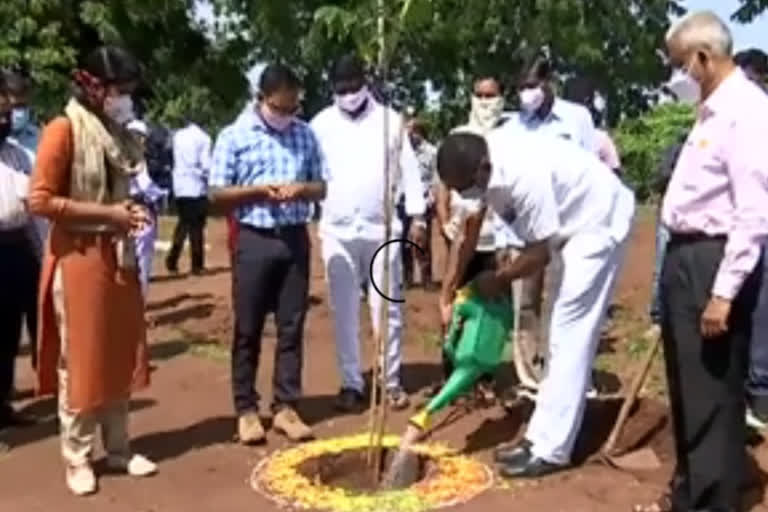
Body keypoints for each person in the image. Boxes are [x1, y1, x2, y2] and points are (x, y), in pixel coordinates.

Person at [436, 129, 635, 479]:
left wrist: (497, 279)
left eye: (467, 187)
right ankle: (539, 437)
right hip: (565, 228)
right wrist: (448, 292)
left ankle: (553, 450)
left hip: (596, 223)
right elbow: (469, 232)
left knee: (568, 333)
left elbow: (538, 254)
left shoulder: (523, 175)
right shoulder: (479, 167)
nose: (466, 194)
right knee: (555, 334)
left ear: (484, 168)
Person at [635, 12, 768, 512]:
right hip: (685, 257)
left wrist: (723, 292)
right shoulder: (712, 111)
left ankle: (712, 500)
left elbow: (755, 212)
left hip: (713, 261)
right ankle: (692, 493)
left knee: (711, 391)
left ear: (704, 58)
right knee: (689, 388)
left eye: (679, 65)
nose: (677, 77)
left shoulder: (748, 112)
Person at [27, 46, 156, 496]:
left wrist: (128, 213)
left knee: (119, 353)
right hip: (78, 259)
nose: (126, 99)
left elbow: (123, 190)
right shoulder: (63, 130)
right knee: (80, 360)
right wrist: (109, 215)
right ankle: (78, 457)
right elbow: (39, 201)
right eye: (120, 90)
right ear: (95, 86)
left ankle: (118, 449)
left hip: (117, 257)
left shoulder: (116, 133)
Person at [209, 64, 327, 444]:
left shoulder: (305, 135)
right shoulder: (234, 136)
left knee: (291, 326)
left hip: (294, 237)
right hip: (253, 238)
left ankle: (286, 406)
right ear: (262, 99)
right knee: (248, 327)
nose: (288, 114)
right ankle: (246, 409)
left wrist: (301, 190)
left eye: (293, 107)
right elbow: (216, 193)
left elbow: (321, 185)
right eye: (281, 107)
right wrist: (259, 192)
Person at [310, 54, 426, 413]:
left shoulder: (390, 122)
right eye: (341, 90)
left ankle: (390, 381)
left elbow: (409, 170)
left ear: (366, 84)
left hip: (382, 230)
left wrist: (418, 217)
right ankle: (351, 383)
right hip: (337, 231)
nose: (348, 95)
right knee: (344, 310)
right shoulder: (321, 124)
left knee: (385, 308)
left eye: (353, 88)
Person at [436, 73, 513, 404]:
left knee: (490, 312)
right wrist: (446, 294)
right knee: (458, 309)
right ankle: (454, 376)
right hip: (469, 237)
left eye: (491, 95)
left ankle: (483, 376)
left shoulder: (511, 142)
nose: (485, 101)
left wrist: (506, 272)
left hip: (502, 241)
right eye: (479, 95)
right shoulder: (460, 140)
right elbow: (468, 227)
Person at [0, 77, 39, 435]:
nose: (7, 118)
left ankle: (3, 404)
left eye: (8, 111)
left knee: (10, 333)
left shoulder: (17, 154)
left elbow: (33, 205)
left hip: (17, 245)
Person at [127, 120, 168, 300]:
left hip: (124, 211)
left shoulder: (118, 157)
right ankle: (138, 304)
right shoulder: (140, 160)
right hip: (139, 211)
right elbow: (148, 188)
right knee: (142, 259)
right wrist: (162, 194)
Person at [165, 116, 211, 275]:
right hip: (196, 186)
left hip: (180, 185)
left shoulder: (178, 135)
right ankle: (197, 265)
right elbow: (205, 165)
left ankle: (172, 259)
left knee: (183, 223)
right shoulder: (204, 139)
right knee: (196, 227)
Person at [401, 117, 437, 289]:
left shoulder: (431, 152)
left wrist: (430, 198)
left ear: (419, 132)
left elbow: (435, 179)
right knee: (403, 242)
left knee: (422, 241)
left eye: (411, 130)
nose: (408, 134)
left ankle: (426, 278)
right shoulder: (402, 153)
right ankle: (406, 277)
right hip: (403, 201)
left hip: (423, 202)